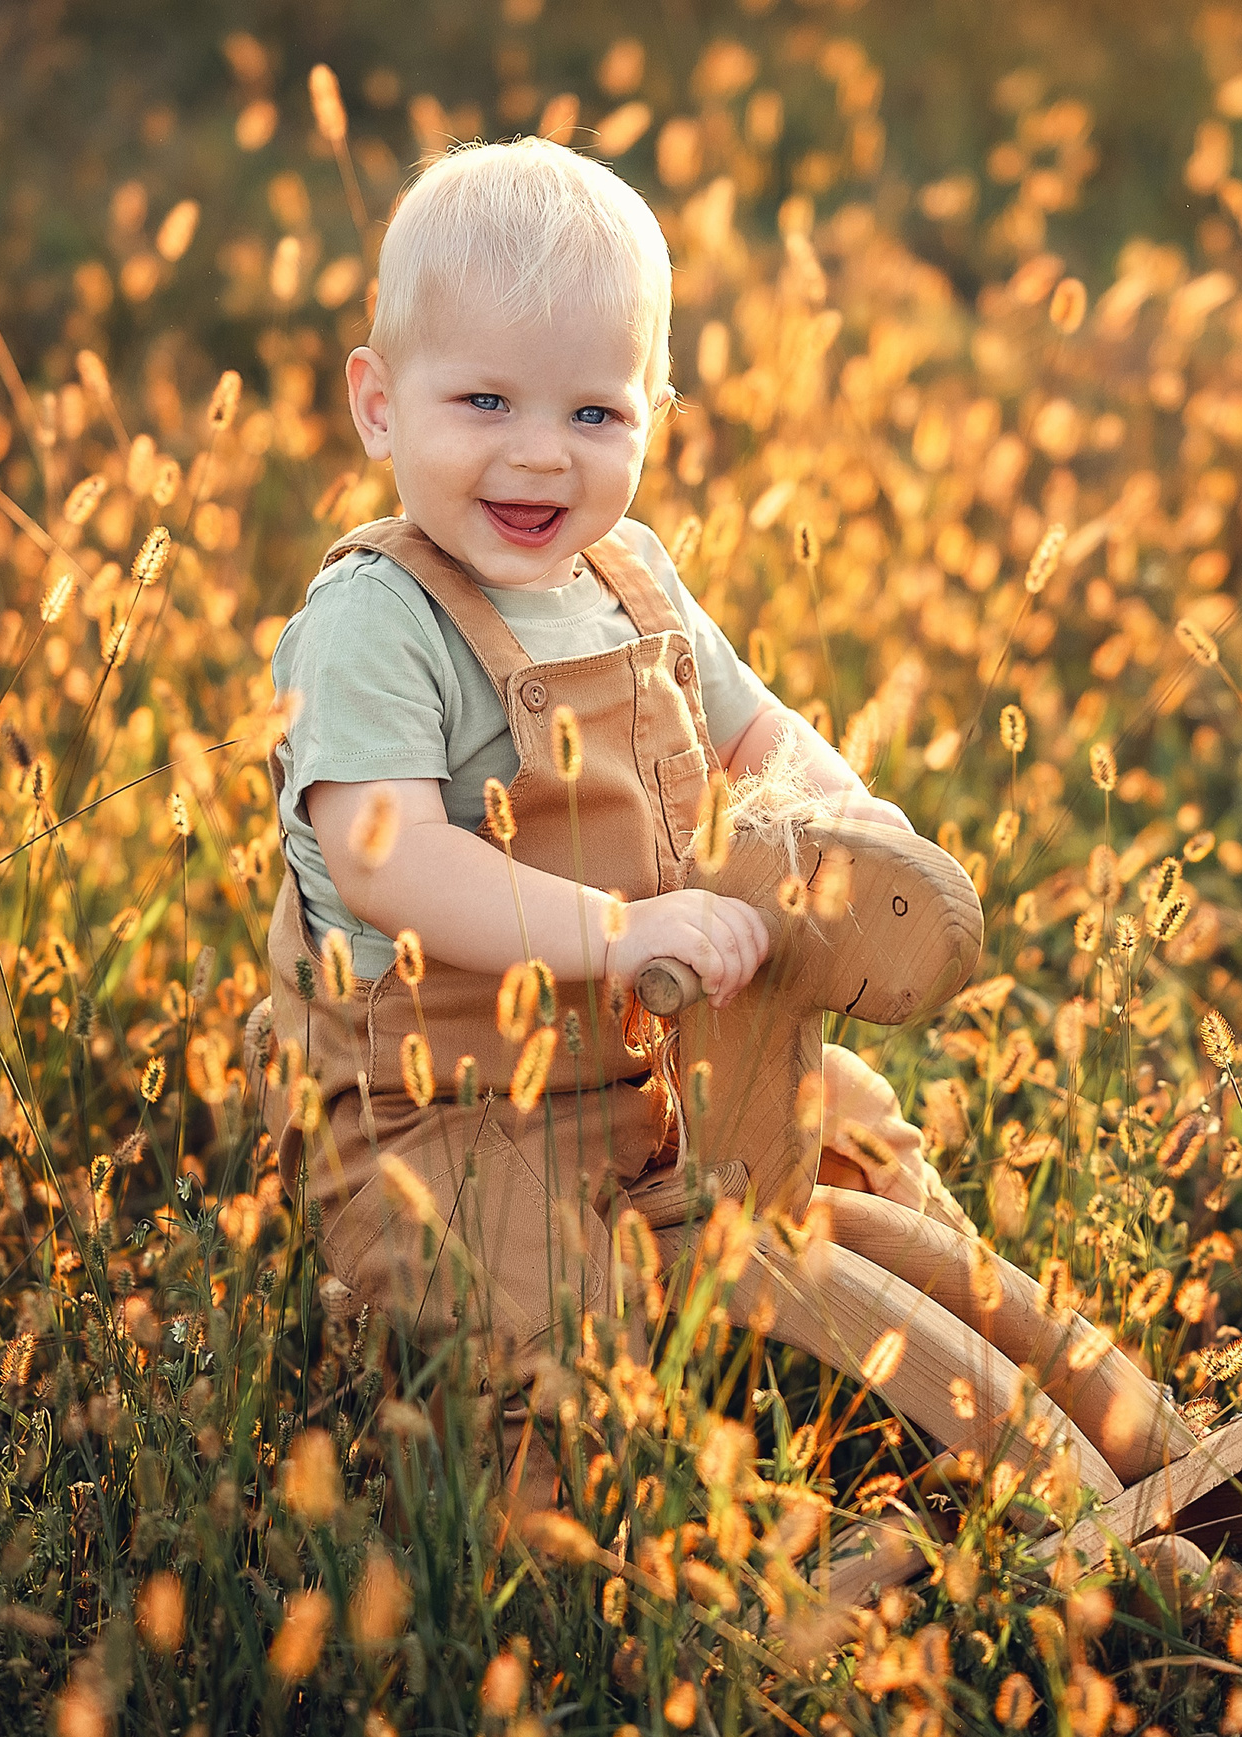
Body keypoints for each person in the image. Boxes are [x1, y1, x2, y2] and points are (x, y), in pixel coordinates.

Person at [258, 136, 945, 1453]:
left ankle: (1015, 1413)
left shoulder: (633, 579)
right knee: (539, 1316)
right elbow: (384, 856)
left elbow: (760, 739)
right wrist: (623, 937)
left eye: (593, 415)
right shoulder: (377, 621)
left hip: (659, 1057)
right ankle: (573, 1540)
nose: (540, 458)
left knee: (854, 1144)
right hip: (453, 1104)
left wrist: (857, 829)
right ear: (380, 404)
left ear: (652, 414)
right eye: (484, 404)